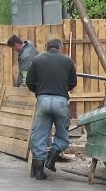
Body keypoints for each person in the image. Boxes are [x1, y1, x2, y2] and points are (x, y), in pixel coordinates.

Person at [26, 38, 77, 180]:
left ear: (47, 47)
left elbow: (29, 82)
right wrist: (62, 89)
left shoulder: (37, 60)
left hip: (43, 100)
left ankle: (38, 172)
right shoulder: (68, 61)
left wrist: (39, 90)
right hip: (61, 101)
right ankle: (52, 158)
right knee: (62, 134)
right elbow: (73, 82)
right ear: (60, 47)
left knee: (40, 136)